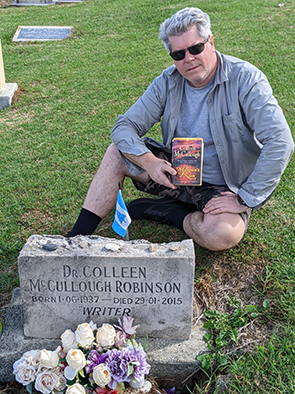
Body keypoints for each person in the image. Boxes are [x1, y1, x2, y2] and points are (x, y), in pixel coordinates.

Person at [66, 7, 294, 251]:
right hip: (176, 174)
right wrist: (150, 163)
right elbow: (124, 126)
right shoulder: (167, 81)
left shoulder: (247, 79)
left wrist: (245, 198)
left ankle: (173, 214)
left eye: (195, 48)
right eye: (178, 54)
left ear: (211, 42)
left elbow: (280, 141)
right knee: (115, 153)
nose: (189, 59)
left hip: (225, 186)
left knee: (222, 235)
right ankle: (72, 240)